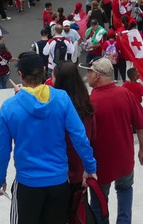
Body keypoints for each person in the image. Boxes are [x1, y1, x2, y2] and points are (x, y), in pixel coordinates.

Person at [0, 51, 97, 224]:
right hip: (59, 182)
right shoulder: (62, 99)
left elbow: (2, 149)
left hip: (28, 184)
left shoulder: (9, 107)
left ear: (20, 75)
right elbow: (79, 136)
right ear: (43, 71)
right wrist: (90, 166)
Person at [85, 56, 143, 224]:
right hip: (124, 160)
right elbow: (142, 125)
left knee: (99, 203)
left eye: (90, 72)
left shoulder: (90, 102)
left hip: (101, 165)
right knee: (125, 190)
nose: (88, 75)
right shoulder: (125, 93)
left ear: (98, 76)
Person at [52, 60, 96, 202]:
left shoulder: (55, 105)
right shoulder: (85, 103)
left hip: (59, 170)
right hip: (80, 167)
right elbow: (90, 136)